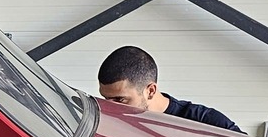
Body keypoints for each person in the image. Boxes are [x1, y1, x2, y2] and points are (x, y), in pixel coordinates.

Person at [97, 45, 239, 131]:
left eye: (120, 100)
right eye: (105, 98)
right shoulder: (108, 124)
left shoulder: (206, 122)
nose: (110, 108)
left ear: (150, 91)